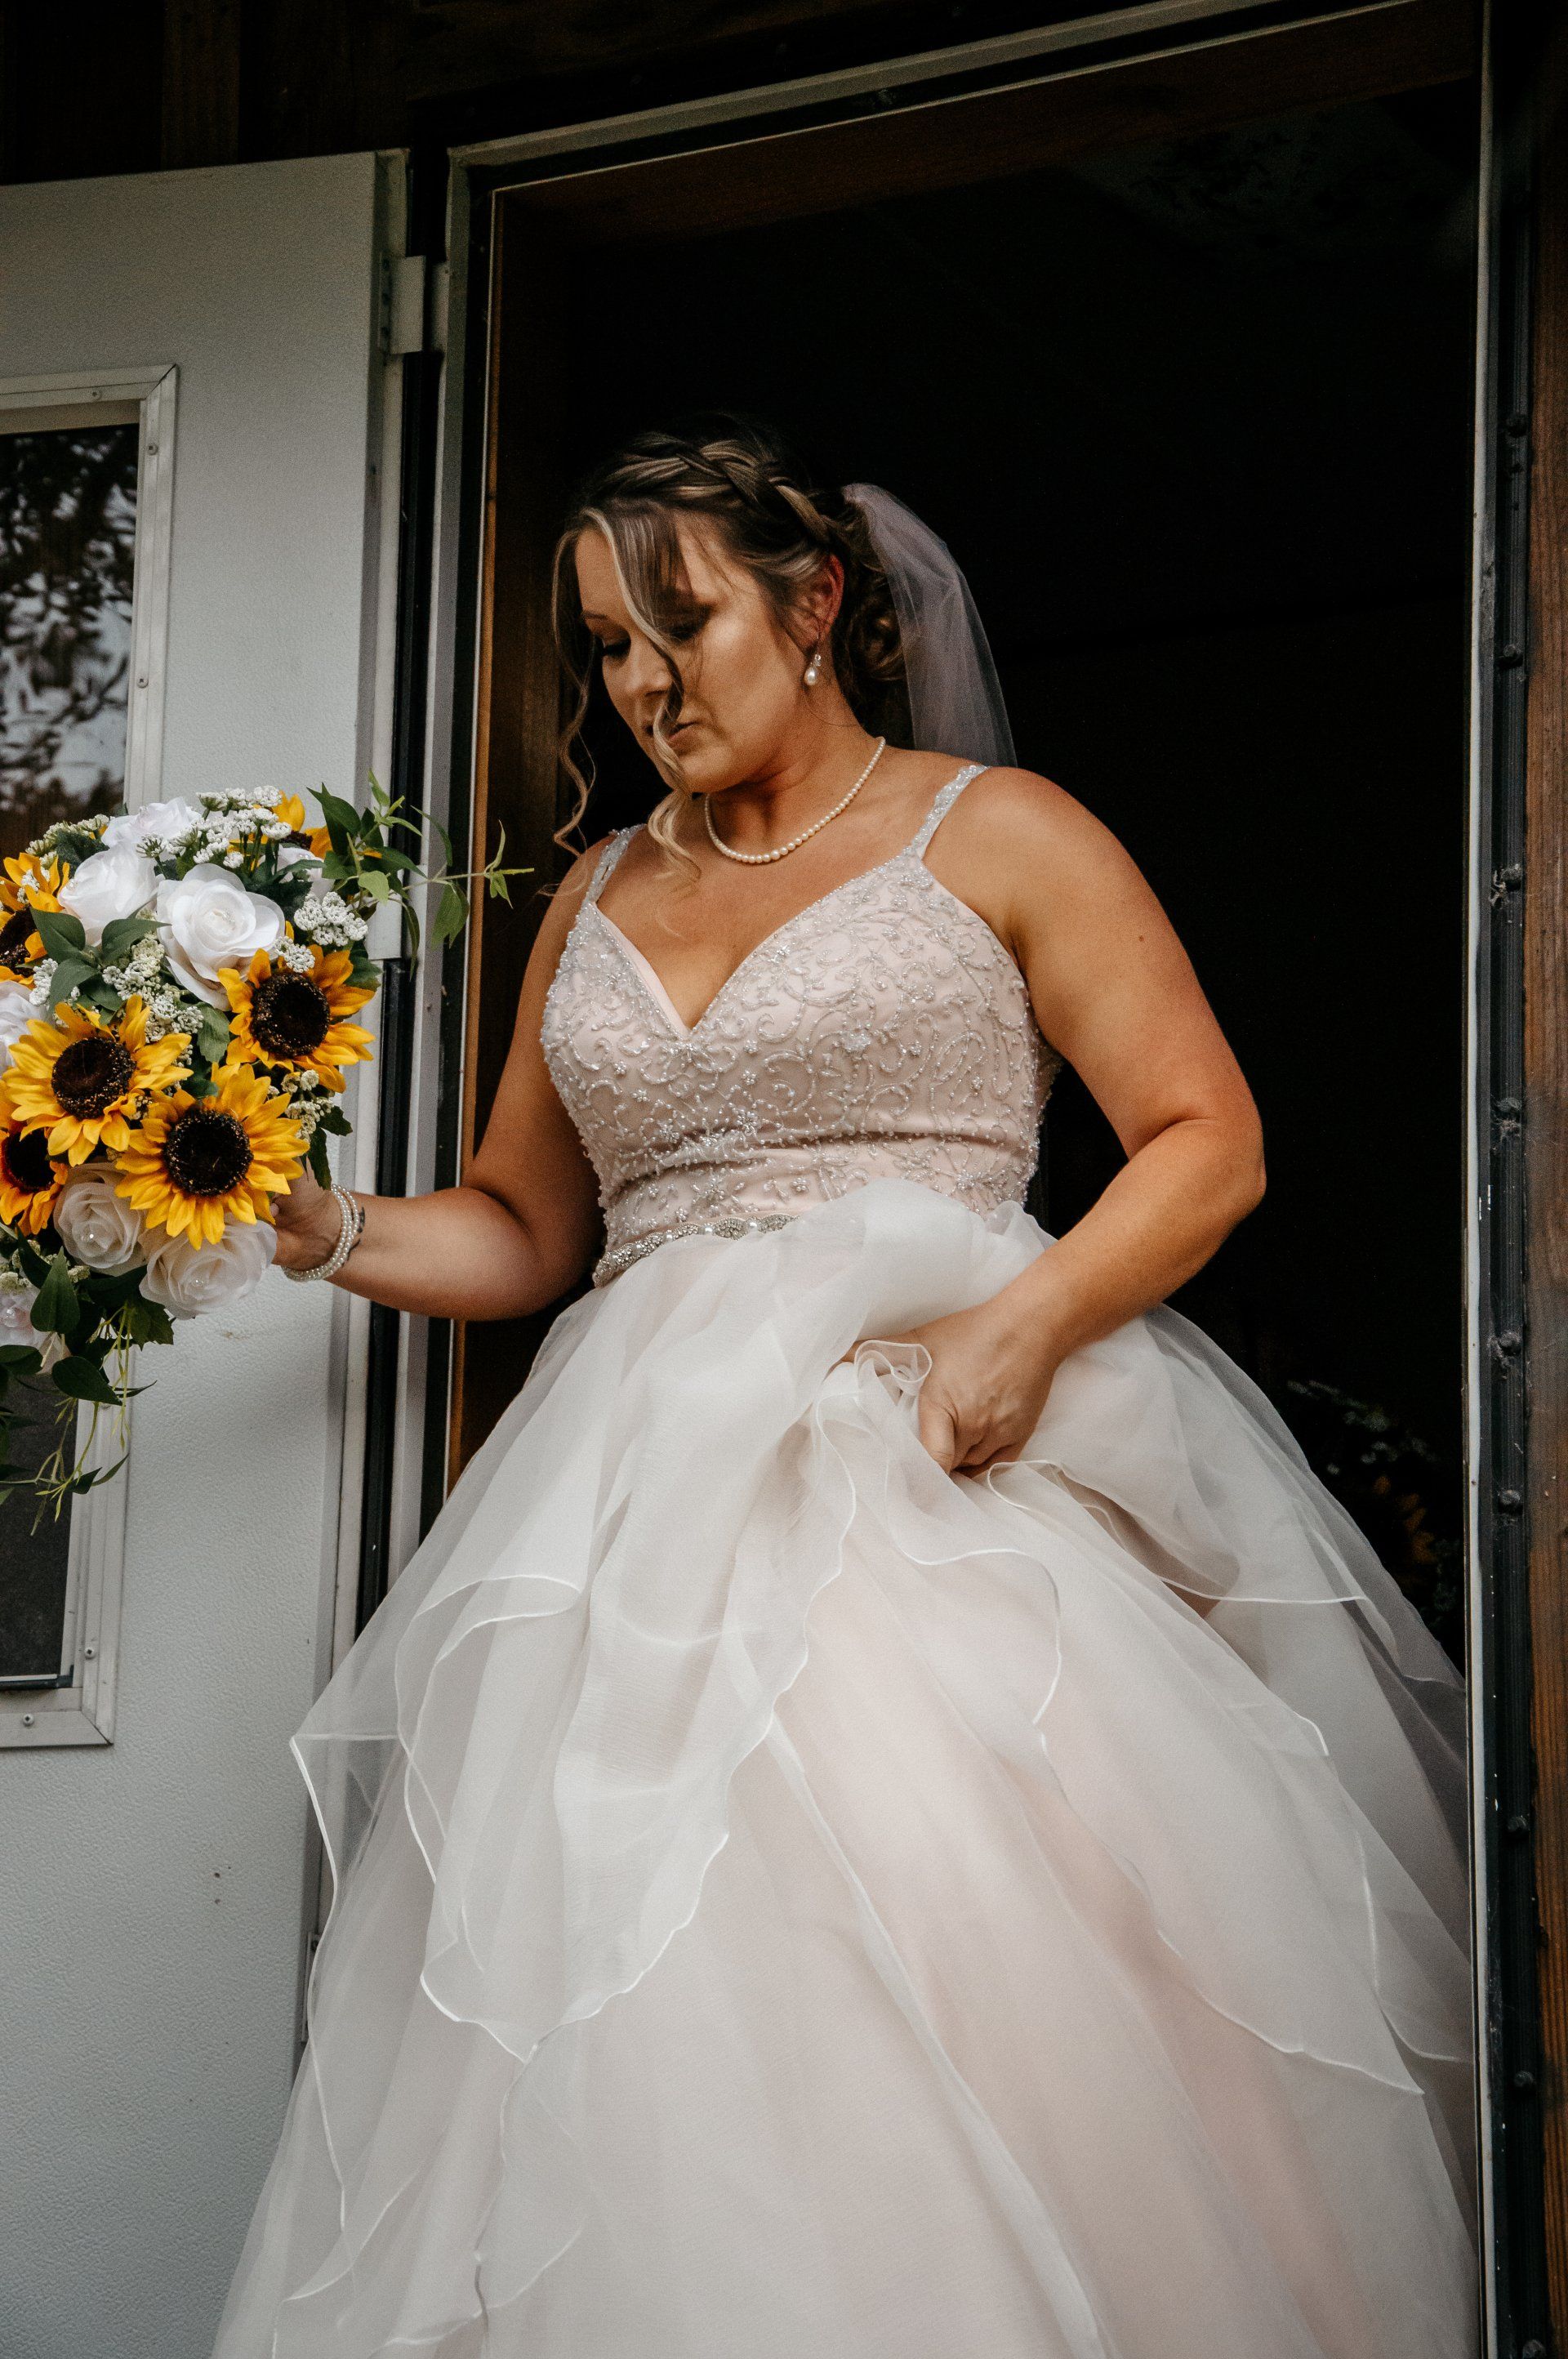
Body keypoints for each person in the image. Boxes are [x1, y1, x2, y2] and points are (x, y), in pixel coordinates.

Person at [212, 420, 1478, 2359]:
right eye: (611, 651)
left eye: (683, 626)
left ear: (815, 608)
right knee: (635, 1995)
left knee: (974, 1937)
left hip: (931, 1464)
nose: (643, 685)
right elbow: (522, 1231)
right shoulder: (597, 890)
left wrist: (1030, 1323)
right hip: (628, 1521)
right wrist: (317, 1227)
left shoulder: (1009, 832)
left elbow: (1205, 1138)